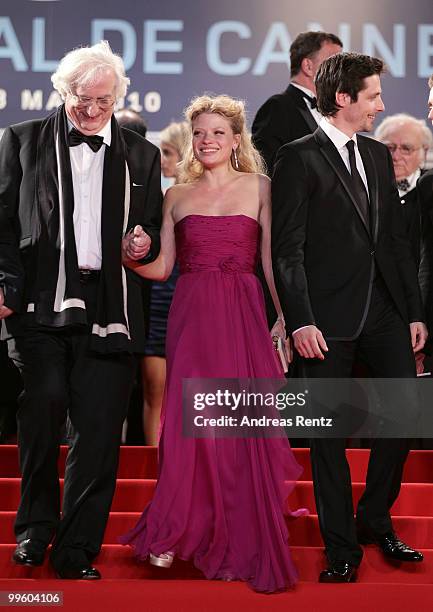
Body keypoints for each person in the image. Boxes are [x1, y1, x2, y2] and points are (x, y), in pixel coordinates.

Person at [120, 94, 304, 593]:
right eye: (199, 133)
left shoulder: (261, 187)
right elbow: (160, 269)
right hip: (193, 316)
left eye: (217, 133)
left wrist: (284, 320)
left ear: (236, 139)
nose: (207, 141)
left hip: (244, 313)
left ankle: (237, 532)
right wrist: (129, 256)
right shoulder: (176, 196)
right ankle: (174, 530)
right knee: (190, 424)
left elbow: (269, 262)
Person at [0, 40, 162, 579]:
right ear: (60, 92)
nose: (92, 112)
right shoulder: (21, 141)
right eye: (81, 100)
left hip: (111, 307)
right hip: (39, 304)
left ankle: (76, 550)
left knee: (97, 431)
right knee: (43, 408)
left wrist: (144, 245)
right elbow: (2, 224)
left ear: (119, 96)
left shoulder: (143, 153)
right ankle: (34, 531)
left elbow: (151, 230)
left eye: (103, 101)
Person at [272, 52, 427, 583]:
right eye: (374, 96)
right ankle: (342, 548)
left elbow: (395, 244)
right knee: (327, 438)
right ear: (344, 98)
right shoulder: (298, 157)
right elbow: (286, 250)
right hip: (325, 320)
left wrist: (413, 311)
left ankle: (374, 516)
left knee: (407, 415)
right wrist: (299, 320)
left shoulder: (378, 156)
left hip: (385, 312)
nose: (381, 105)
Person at [140, 121, 188, 445]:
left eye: (169, 153)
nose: (163, 161)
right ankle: (158, 476)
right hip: (157, 303)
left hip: (195, 304)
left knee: (194, 401)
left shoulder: (210, 200)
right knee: (154, 395)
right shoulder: (157, 199)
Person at [252, 30, 342, 175]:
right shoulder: (277, 107)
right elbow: (265, 167)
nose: (342, 72)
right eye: (333, 63)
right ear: (308, 66)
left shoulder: (335, 111)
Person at [374, 113, 432, 269]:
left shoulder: (430, 190)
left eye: (406, 148)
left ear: (424, 152)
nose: (396, 156)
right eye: (389, 148)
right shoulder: (363, 189)